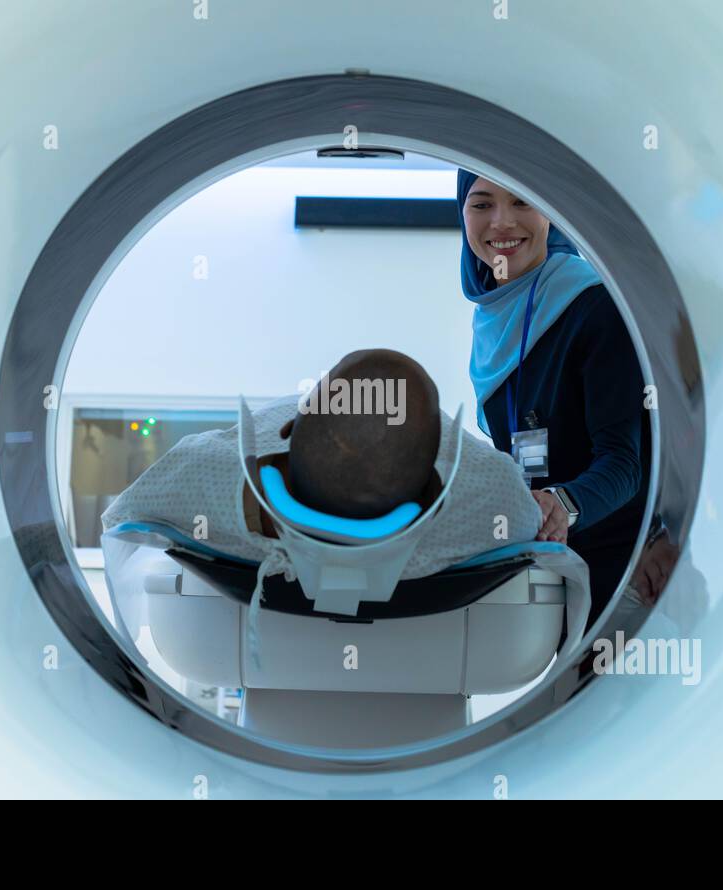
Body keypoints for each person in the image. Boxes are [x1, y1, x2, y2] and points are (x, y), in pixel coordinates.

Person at [100, 348, 546, 579]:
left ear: (289, 428)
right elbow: (533, 522)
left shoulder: (199, 475)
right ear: (435, 478)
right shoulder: (493, 498)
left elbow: (119, 519)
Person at [457, 169, 651, 625]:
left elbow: (624, 464)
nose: (501, 222)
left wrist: (562, 504)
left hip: (623, 569)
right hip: (551, 565)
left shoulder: (595, 305)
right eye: (482, 204)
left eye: (523, 201)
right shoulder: (492, 318)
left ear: (552, 213)